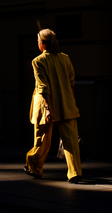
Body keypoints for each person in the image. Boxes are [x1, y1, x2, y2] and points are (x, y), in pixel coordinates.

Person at [24, 28, 82, 183]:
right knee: (71, 142)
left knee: (41, 141)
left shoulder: (38, 61)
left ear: (42, 44)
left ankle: (34, 167)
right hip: (66, 104)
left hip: (45, 106)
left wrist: (49, 109)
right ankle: (75, 172)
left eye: (37, 41)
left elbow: (43, 87)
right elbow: (71, 83)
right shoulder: (65, 58)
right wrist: (70, 102)